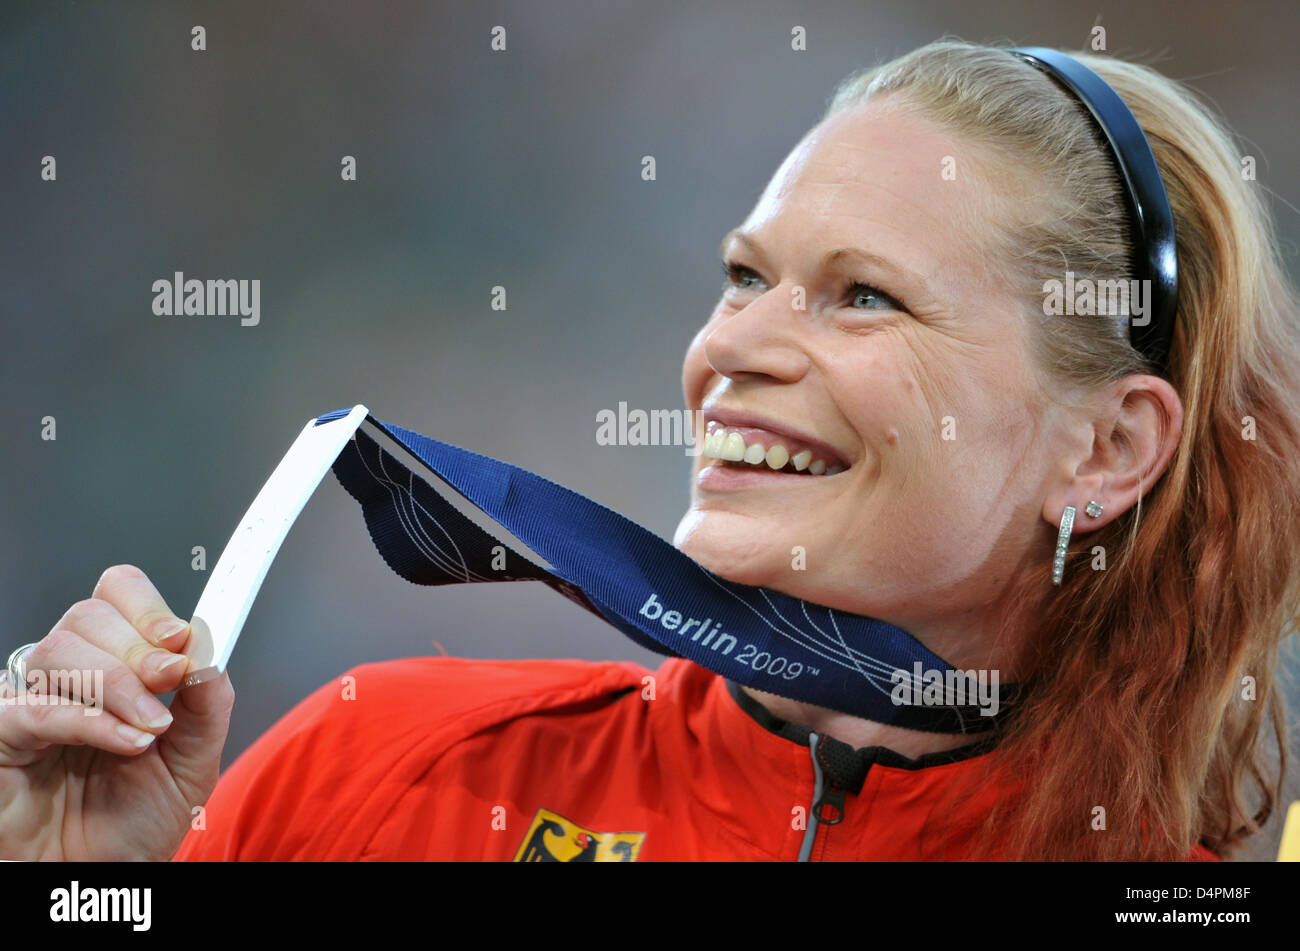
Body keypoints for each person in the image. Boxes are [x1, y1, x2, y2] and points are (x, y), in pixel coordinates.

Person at [2, 39, 1296, 862]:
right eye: (745, 277)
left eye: (863, 297)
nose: (737, 346)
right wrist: (81, 888)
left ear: (1109, 447)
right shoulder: (383, 769)